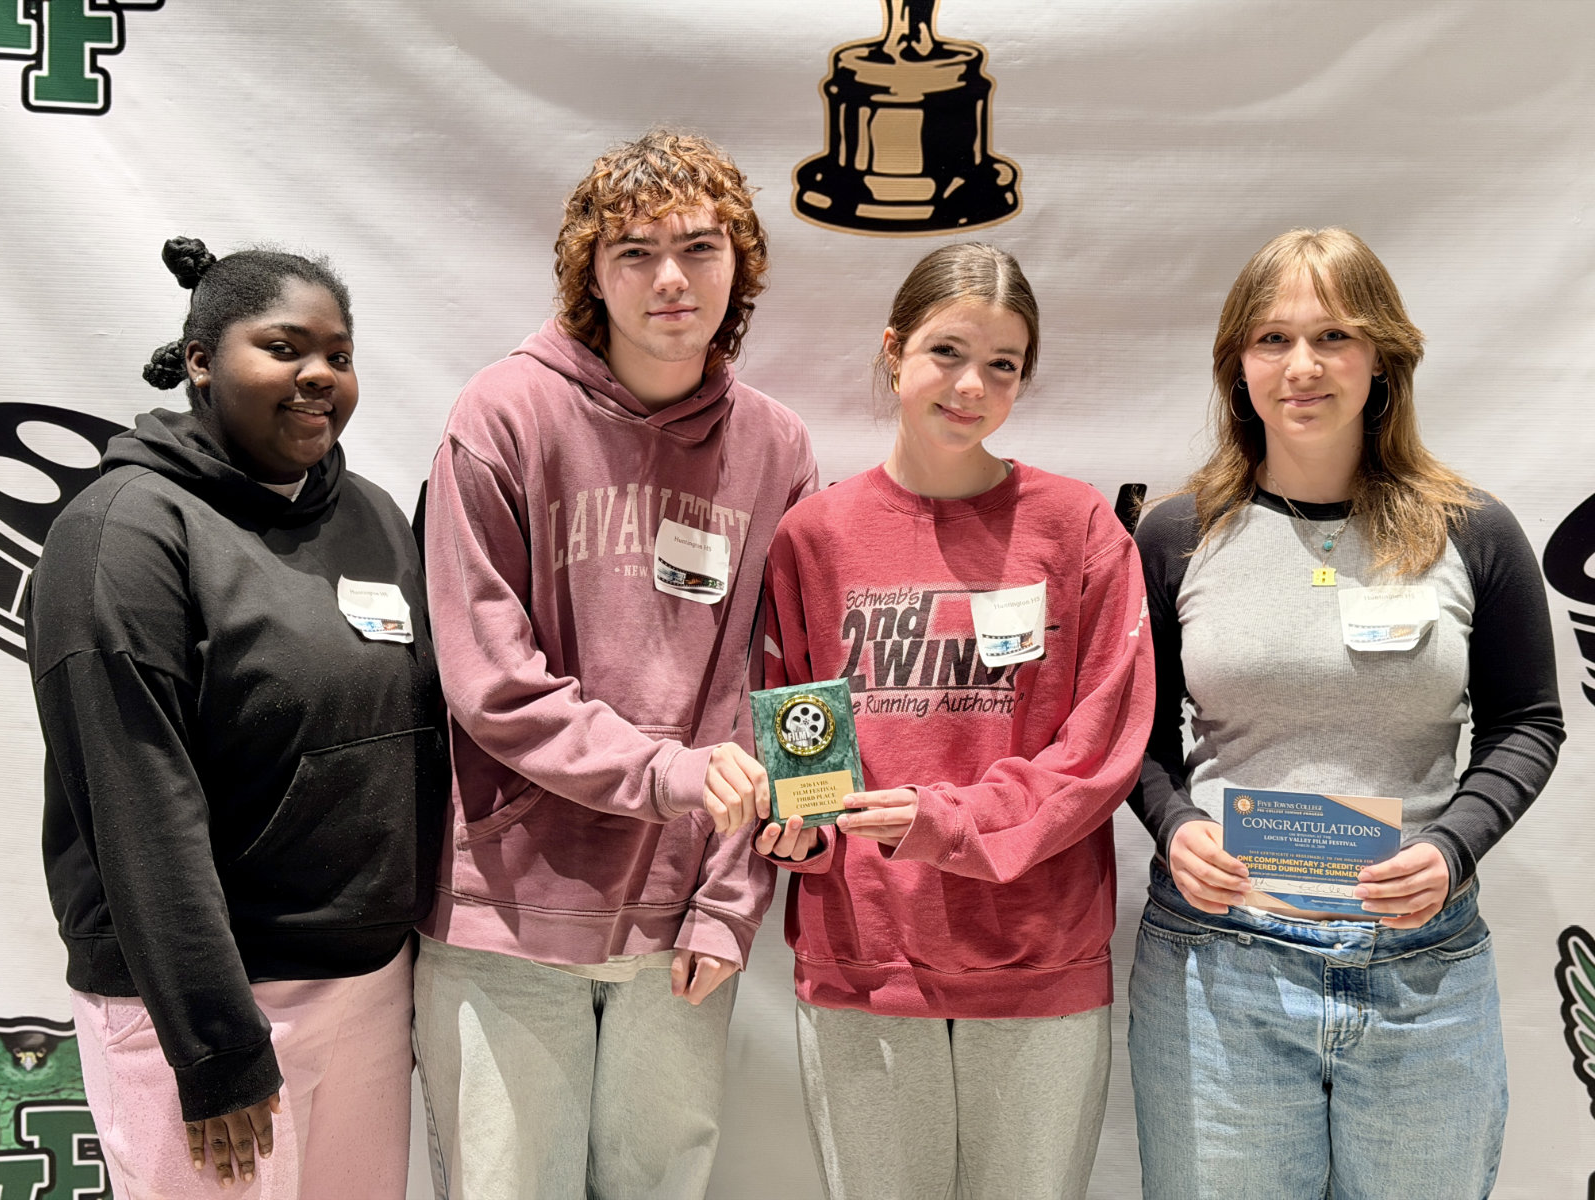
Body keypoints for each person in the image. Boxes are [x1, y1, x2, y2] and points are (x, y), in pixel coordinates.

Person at [414, 129, 817, 1198]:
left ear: (741, 266)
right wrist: (665, 773)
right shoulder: (502, 415)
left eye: (698, 247)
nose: (670, 279)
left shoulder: (776, 449)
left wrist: (733, 903)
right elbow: (490, 678)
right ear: (589, 272)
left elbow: (780, 698)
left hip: (680, 925)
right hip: (510, 915)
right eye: (633, 252)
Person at [1126, 227, 1564, 1199]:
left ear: (1384, 357)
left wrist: (1451, 847)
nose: (1302, 366)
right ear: (1237, 365)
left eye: (1333, 336)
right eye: (1271, 339)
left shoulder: (1472, 531)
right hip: (1218, 964)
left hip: (1421, 971)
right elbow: (1138, 742)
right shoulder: (1176, 534)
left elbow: (1528, 721)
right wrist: (1175, 824)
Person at [29, 237, 448, 1198]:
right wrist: (214, 1045)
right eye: (284, 347)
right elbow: (139, 808)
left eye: (338, 356)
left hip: (366, 984)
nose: (318, 378)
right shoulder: (123, 533)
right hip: (206, 1004)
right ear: (201, 361)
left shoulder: (374, 517)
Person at [755, 242, 1155, 1199]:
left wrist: (946, 822)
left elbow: (1101, 746)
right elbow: (796, 743)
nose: (971, 384)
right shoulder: (814, 536)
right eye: (946, 351)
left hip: (1035, 961)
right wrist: (797, 831)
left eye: (1003, 364)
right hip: (865, 957)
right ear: (894, 352)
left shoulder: (1076, 526)